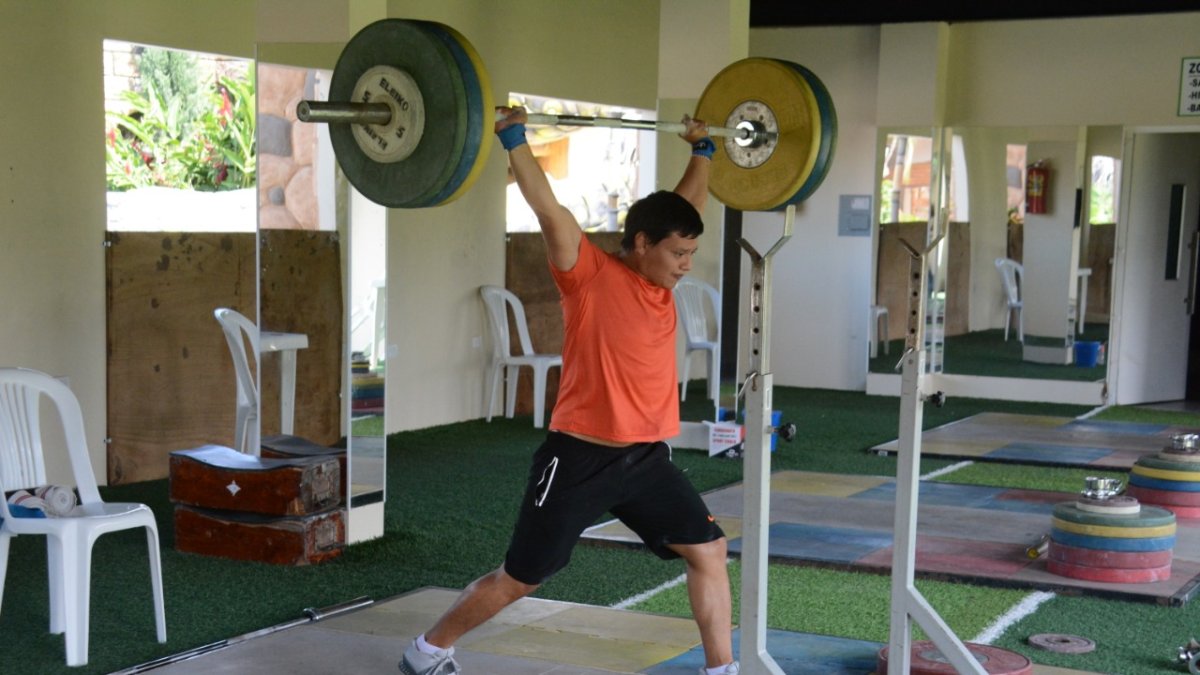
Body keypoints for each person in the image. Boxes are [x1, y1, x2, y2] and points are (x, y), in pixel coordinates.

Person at [399, 108, 737, 675]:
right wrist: (514, 139)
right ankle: (426, 651)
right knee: (521, 578)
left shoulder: (659, 275)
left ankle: (722, 671)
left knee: (709, 551)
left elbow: (688, 207)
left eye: (690, 255)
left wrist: (703, 152)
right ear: (641, 243)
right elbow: (547, 208)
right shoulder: (589, 276)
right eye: (677, 254)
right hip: (578, 457)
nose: (685, 266)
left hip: (645, 460)